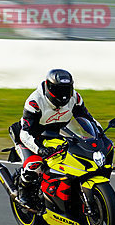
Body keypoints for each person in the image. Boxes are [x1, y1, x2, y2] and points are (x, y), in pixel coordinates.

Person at [9, 69, 101, 208]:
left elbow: (87, 118)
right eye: (59, 90)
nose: (63, 94)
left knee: (74, 156)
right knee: (34, 166)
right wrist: (39, 150)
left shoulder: (74, 98)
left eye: (66, 89)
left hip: (55, 134)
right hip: (31, 137)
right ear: (49, 87)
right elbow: (25, 133)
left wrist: (98, 132)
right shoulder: (35, 101)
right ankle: (23, 194)